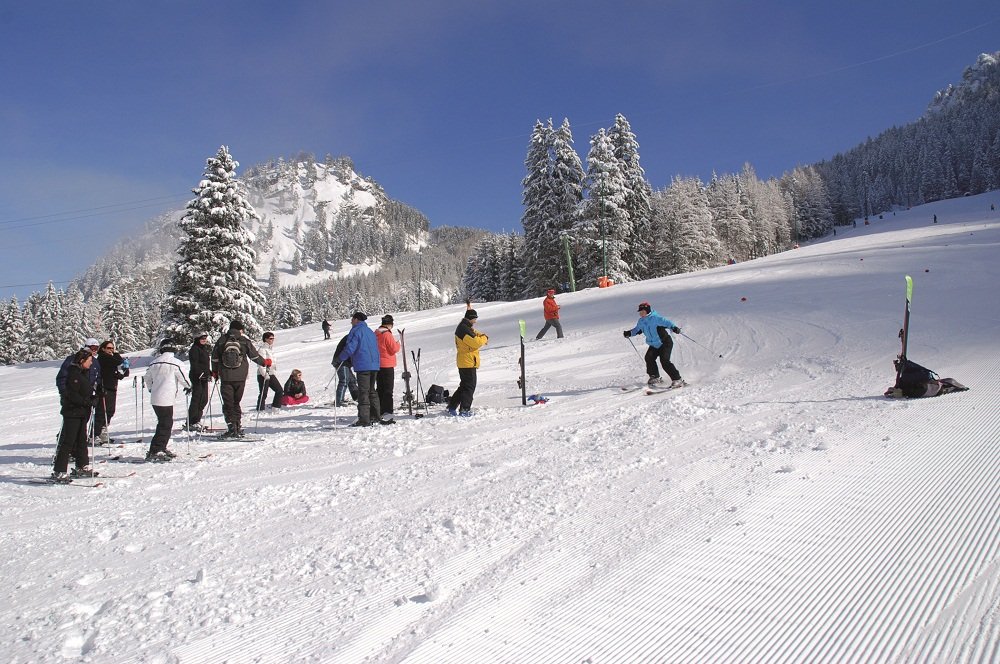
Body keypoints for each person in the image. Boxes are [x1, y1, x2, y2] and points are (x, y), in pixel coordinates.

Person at [211, 320, 266, 438]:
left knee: (228, 403)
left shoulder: (222, 340)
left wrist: (215, 372)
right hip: (241, 377)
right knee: (236, 402)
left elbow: (214, 358)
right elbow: (254, 356)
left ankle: (231, 427)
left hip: (225, 376)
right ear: (240, 329)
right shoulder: (244, 341)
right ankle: (237, 426)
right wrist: (265, 363)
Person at [50, 349, 98, 482]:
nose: (91, 363)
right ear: (82, 361)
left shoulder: (81, 373)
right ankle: (59, 471)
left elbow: (84, 391)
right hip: (73, 412)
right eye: (89, 361)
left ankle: (82, 466)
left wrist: (94, 397)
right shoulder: (74, 374)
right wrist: (87, 401)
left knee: (82, 440)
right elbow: (72, 395)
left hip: (81, 412)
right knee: (68, 442)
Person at [145, 338, 191, 462]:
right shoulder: (175, 362)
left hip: (155, 397)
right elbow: (183, 377)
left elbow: (147, 378)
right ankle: (156, 450)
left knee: (163, 422)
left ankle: (161, 447)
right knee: (165, 424)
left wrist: (151, 389)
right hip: (166, 397)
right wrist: (188, 386)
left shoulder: (154, 363)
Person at [623, 301, 685, 388]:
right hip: (654, 345)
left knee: (664, 361)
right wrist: (629, 333)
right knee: (649, 358)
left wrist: (674, 327)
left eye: (643, 311)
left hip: (664, 343)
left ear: (647, 311)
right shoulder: (641, 321)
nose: (641, 313)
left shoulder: (656, 318)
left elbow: (667, 322)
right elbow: (637, 330)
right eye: (640, 312)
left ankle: (677, 379)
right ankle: (655, 377)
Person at [336, 312, 380, 427]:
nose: (351, 322)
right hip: (374, 365)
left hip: (363, 365)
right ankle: (375, 415)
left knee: (363, 392)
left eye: (352, 319)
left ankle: (364, 419)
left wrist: (340, 358)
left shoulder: (356, 331)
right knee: (372, 390)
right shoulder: (370, 331)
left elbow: (350, 347)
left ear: (356, 320)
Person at [447, 308, 488, 417]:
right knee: (470, 386)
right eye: (474, 319)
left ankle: (452, 406)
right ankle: (465, 409)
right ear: (470, 318)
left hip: (465, 361)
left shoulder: (465, 327)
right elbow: (476, 342)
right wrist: (484, 338)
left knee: (464, 386)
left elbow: (476, 334)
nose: (475, 322)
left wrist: (482, 336)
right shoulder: (464, 329)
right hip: (467, 362)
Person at [94, 339, 129, 444]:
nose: (111, 350)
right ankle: (94, 434)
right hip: (104, 388)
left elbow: (113, 371)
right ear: (103, 349)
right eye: (109, 348)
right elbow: (117, 361)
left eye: (112, 348)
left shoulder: (109, 358)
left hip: (111, 387)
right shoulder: (103, 357)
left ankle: (102, 433)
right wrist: (117, 355)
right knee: (101, 412)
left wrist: (122, 374)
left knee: (110, 411)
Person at [375, 314, 401, 423]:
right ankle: (388, 410)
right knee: (388, 389)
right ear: (389, 324)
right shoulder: (387, 334)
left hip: (377, 364)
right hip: (387, 364)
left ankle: (378, 409)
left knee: (380, 388)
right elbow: (393, 349)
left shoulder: (376, 333)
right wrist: (398, 344)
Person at [185, 332, 212, 432]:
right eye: (202, 338)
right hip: (197, 377)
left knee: (204, 399)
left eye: (205, 338)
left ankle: (197, 420)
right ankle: (191, 422)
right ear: (197, 339)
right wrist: (201, 374)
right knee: (197, 399)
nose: (204, 340)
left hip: (204, 376)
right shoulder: (194, 349)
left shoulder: (203, 349)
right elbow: (195, 364)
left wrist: (209, 372)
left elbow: (204, 364)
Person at [256, 331, 283, 411]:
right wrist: (264, 374)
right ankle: (260, 409)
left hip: (270, 373)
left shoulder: (270, 349)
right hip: (263, 374)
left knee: (279, 390)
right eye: (270, 338)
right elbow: (261, 363)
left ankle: (275, 407)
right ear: (266, 339)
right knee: (263, 393)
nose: (272, 340)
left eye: (273, 338)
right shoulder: (262, 349)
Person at [333, 333, 359, 406]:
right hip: (341, 361)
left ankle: (356, 396)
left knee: (352, 380)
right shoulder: (352, 338)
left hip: (345, 362)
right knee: (344, 380)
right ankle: (339, 400)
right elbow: (349, 350)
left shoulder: (352, 336)